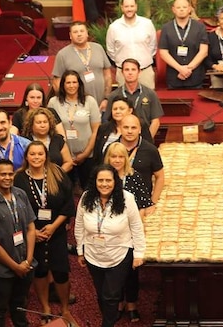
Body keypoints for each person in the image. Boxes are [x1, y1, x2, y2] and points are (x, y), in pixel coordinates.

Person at [13, 142, 76, 326]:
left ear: (45, 156)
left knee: (61, 272)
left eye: (40, 154)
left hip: (56, 231)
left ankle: (65, 310)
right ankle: (45, 307)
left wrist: (54, 226)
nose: (36, 157)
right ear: (26, 157)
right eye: (32, 154)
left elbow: (68, 204)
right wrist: (31, 231)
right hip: (33, 233)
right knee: (39, 271)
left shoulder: (58, 174)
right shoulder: (19, 179)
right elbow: (18, 210)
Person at [75, 165, 146, 327]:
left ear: (115, 182)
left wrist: (139, 253)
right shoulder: (86, 198)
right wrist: (80, 250)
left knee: (111, 295)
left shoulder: (126, 198)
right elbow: (78, 225)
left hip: (120, 253)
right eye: (101, 180)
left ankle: (107, 324)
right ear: (95, 182)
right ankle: (109, 320)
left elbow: (136, 226)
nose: (104, 184)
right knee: (101, 295)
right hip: (93, 254)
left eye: (108, 180)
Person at [115, 114, 165, 322]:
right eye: (125, 127)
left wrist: (152, 201)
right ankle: (118, 302)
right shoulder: (113, 151)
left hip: (139, 212)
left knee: (132, 260)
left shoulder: (150, 150)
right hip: (113, 213)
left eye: (133, 127)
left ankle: (133, 303)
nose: (129, 131)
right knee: (114, 260)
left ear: (139, 130)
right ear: (120, 128)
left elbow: (160, 176)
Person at [0, 159, 37, 327]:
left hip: (24, 264)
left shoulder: (21, 194)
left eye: (10, 174)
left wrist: (27, 260)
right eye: (3, 174)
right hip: (1, 271)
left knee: (20, 306)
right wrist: (15, 266)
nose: (7, 177)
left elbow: (31, 228)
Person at [48, 70, 102, 190]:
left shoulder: (89, 101)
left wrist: (86, 153)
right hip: (64, 157)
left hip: (87, 155)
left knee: (88, 189)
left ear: (79, 84)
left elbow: (96, 130)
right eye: (68, 83)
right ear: (63, 84)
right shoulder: (54, 102)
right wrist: (67, 156)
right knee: (66, 190)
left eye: (74, 82)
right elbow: (51, 129)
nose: (71, 85)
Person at [52, 21, 113, 112]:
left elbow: (108, 76)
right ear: (70, 35)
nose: (79, 34)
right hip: (76, 107)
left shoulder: (98, 48)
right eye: (75, 32)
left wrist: (107, 98)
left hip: (101, 104)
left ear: (87, 33)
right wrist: (67, 103)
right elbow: (57, 83)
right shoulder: (62, 54)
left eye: (82, 31)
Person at [106, 0, 158, 89]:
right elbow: (110, 50)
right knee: (124, 102)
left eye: (132, 6)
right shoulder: (114, 27)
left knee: (147, 102)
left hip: (145, 71)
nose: (129, 9)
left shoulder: (147, 24)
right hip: (123, 73)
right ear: (122, 8)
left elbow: (153, 46)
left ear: (136, 7)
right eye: (126, 6)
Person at [103, 58, 164, 136]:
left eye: (133, 70)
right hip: (120, 141)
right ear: (122, 72)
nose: (130, 73)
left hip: (144, 139)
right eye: (127, 70)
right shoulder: (114, 95)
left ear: (139, 72)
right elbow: (109, 121)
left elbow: (155, 121)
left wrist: (147, 141)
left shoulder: (150, 94)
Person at [158, 0, 209, 89]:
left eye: (184, 7)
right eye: (178, 7)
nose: (181, 10)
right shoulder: (166, 28)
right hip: (174, 77)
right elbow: (163, 53)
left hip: (195, 76)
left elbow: (204, 51)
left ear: (189, 9)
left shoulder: (200, 27)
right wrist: (180, 69)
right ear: (173, 9)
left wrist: (188, 69)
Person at [92, 95, 155, 166]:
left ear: (130, 111)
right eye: (115, 109)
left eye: (121, 109)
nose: (117, 111)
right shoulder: (103, 128)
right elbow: (97, 156)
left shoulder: (140, 126)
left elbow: (149, 150)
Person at [106, 142, 154, 216]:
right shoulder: (102, 176)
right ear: (108, 158)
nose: (117, 160)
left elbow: (142, 205)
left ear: (126, 158)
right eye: (114, 157)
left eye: (121, 157)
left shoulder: (134, 176)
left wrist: (138, 224)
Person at [22, 108, 74, 174]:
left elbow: (68, 162)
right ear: (31, 124)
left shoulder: (58, 139)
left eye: (45, 122)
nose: (43, 125)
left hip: (57, 178)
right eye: (39, 122)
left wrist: (56, 175)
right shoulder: (24, 141)